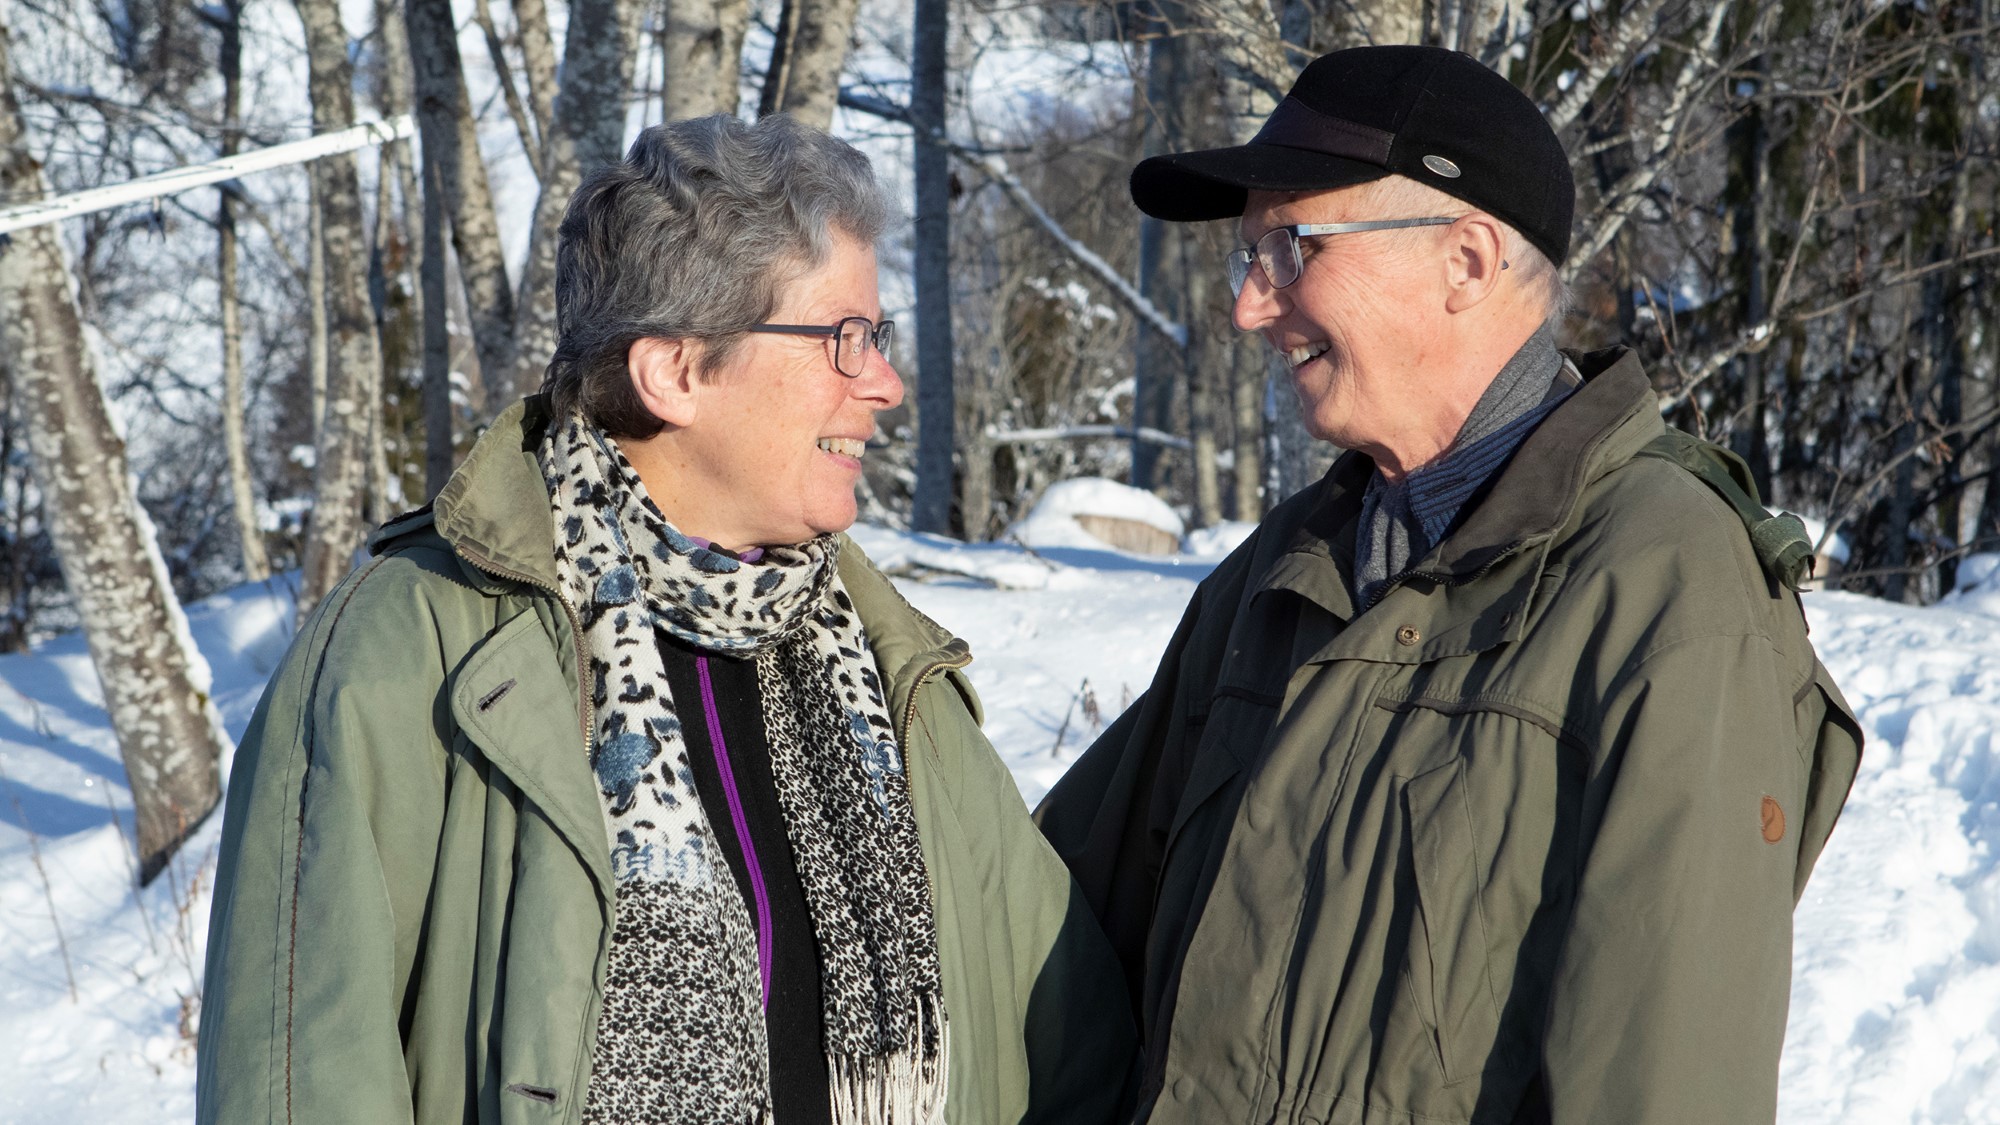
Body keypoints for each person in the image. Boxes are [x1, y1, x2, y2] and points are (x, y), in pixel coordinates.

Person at [197, 113, 1135, 1125]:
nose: (884, 384)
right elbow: (299, 1083)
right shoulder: (410, 653)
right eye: (843, 339)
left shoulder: (891, 672)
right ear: (674, 372)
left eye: (879, 338)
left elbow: (1076, 1052)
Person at [1036, 45, 1863, 1125]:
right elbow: (1051, 933)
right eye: (1248, 257)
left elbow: (1659, 1085)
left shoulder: (1668, 593)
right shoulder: (1285, 567)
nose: (1248, 307)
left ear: (1465, 262)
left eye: (1289, 249)